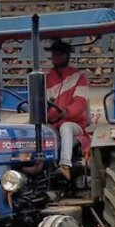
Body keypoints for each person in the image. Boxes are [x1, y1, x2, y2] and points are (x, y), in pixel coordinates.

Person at [45, 39, 90, 179]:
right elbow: (44, 103)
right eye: (54, 53)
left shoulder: (79, 77)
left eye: (60, 53)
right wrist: (50, 115)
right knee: (39, 130)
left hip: (75, 124)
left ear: (67, 55)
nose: (57, 56)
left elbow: (79, 104)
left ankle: (65, 165)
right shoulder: (46, 79)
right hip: (53, 123)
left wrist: (66, 112)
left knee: (66, 127)